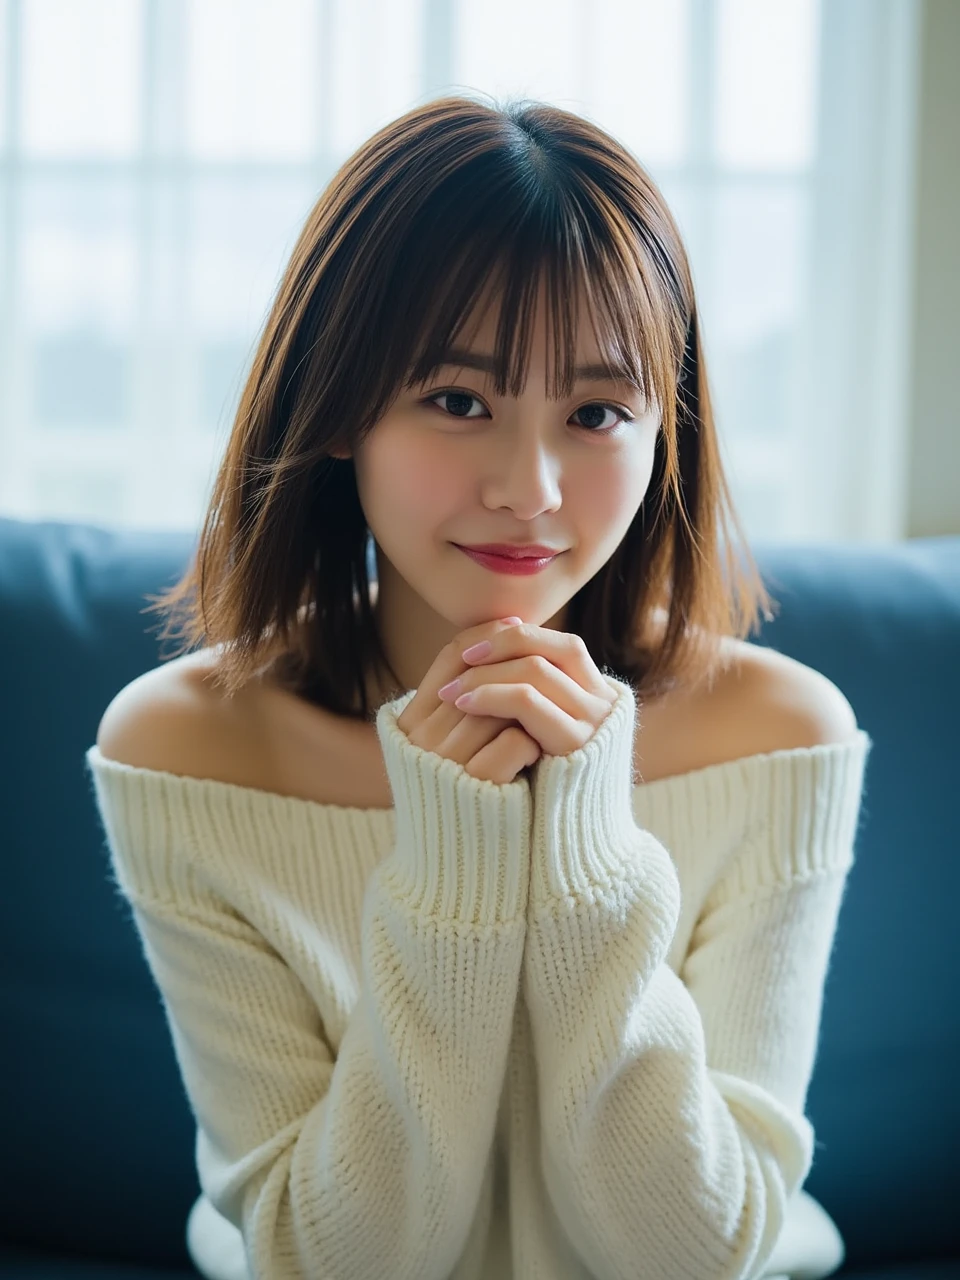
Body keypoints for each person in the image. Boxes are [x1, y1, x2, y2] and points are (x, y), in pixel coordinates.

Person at [86, 92, 872, 1280]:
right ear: (342, 403)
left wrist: (586, 851)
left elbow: (699, 1251)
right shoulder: (186, 748)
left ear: (667, 431)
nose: (531, 486)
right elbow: (328, 1256)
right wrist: (456, 864)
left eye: (598, 411)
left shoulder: (781, 732)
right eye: (459, 401)